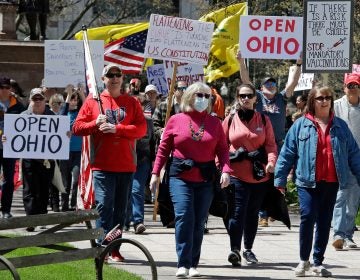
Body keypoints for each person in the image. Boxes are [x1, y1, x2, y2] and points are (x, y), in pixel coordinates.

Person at [274, 86, 360, 277]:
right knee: (307, 216)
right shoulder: (300, 125)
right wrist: (279, 181)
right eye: (320, 98)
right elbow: (287, 153)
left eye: (328, 97)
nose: (324, 101)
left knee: (324, 221)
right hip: (307, 182)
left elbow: (353, 153)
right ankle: (304, 260)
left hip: (331, 181)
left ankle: (318, 262)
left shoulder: (340, 126)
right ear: (313, 101)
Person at [149, 82, 231, 278]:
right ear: (188, 97)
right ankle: (183, 263)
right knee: (184, 216)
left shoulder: (214, 123)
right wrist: (155, 174)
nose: (202, 99)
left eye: (206, 96)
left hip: (205, 178)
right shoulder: (176, 120)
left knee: (199, 221)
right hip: (180, 176)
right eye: (198, 95)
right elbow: (163, 149)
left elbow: (223, 149)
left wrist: (226, 170)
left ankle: (193, 263)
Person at [72, 64, 147, 262]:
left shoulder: (131, 102)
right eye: (110, 75)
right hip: (102, 165)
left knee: (121, 211)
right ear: (103, 79)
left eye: (118, 75)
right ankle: (102, 248)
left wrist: (118, 129)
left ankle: (114, 249)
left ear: (122, 79)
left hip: (126, 164)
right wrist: (94, 123)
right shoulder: (93, 101)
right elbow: (77, 128)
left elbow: (141, 130)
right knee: (104, 206)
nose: (114, 78)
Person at [237, 51, 302, 227]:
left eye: (273, 82)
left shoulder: (281, 97)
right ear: (261, 86)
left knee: (278, 179)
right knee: (262, 177)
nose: (271, 85)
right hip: (262, 145)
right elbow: (245, 81)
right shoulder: (257, 97)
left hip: (279, 145)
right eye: (267, 83)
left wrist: (298, 64)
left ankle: (273, 209)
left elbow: (293, 83)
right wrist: (241, 61)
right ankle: (263, 214)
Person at [222, 84, 277, 267]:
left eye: (249, 95)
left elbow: (270, 145)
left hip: (259, 175)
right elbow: (221, 146)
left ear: (256, 98)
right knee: (237, 213)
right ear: (238, 98)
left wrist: (271, 162)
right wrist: (223, 168)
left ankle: (248, 249)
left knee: (252, 213)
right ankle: (235, 250)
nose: (246, 99)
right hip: (236, 174)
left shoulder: (263, 119)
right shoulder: (230, 120)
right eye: (242, 95)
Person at [332, 74, 360, 250]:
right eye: (349, 85)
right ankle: (338, 234)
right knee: (341, 195)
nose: (352, 88)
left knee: (354, 198)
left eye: (355, 85)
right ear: (344, 88)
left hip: (358, 159)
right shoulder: (334, 106)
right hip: (340, 157)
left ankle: (348, 235)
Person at [21, 88, 55, 231]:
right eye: (35, 99)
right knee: (29, 189)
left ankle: (41, 216)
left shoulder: (53, 116)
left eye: (40, 98)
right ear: (30, 100)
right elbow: (15, 137)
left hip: (46, 160)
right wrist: (7, 138)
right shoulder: (22, 117)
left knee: (43, 189)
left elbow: (59, 135)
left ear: (45, 100)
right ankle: (31, 219)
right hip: (29, 158)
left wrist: (66, 134)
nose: (38, 101)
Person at [0, 77, 25, 219]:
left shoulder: (17, 105)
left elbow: (27, 119)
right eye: (2, 87)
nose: (4, 90)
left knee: (9, 180)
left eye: (7, 87)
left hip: (10, 149)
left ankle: (6, 210)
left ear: (11, 89)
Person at [59, 85, 85, 211]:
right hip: (64, 152)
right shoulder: (64, 113)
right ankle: (64, 205)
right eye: (72, 99)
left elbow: (86, 106)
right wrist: (69, 94)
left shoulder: (80, 113)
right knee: (65, 182)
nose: (74, 101)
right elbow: (61, 115)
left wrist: (81, 93)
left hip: (78, 152)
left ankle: (73, 204)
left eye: (76, 99)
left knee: (76, 180)